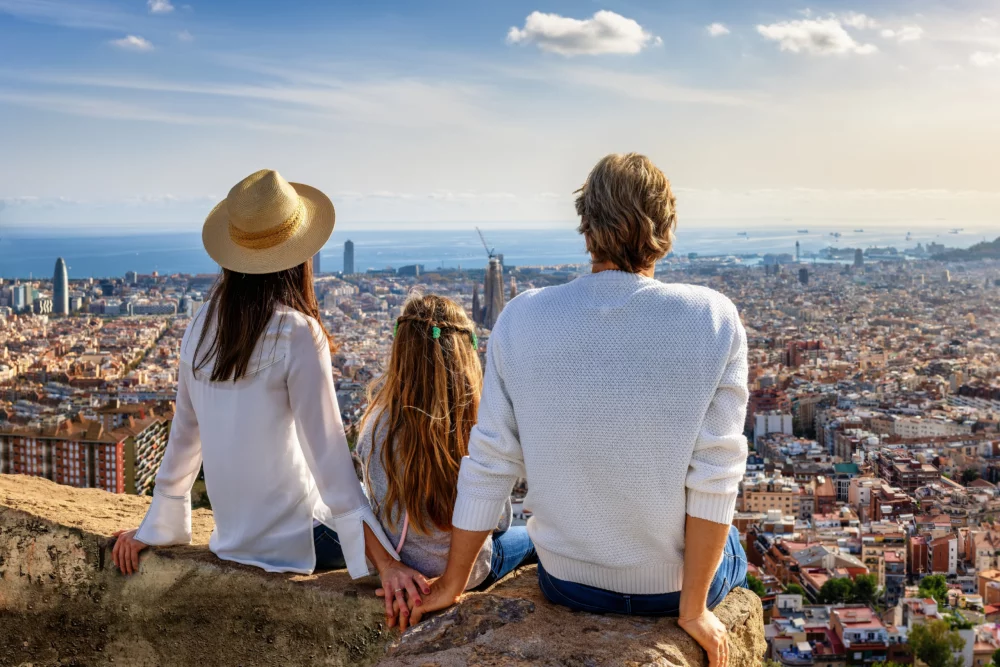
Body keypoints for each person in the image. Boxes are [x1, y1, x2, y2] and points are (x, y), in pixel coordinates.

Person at [411, 154, 749, 667]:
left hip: (570, 582)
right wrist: (694, 610)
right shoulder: (712, 317)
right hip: (672, 590)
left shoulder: (521, 316)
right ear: (665, 227)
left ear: (586, 225)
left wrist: (453, 582)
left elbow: (491, 459)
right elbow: (716, 475)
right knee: (738, 540)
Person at [111, 169, 427, 629]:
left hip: (234, 539)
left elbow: (183, 440)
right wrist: (388, 563)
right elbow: (331, 461)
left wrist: (155, 527)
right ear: (297, 255)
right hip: (301, 542)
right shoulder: (297, 332)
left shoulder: (200, 325)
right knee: (410, 535)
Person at [358, 294, 536, 622]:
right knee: (536, 535)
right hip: (471, 571)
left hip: (403, 565)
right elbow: (498, 523)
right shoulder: (479, 427)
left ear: (400, 353)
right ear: (465, 357)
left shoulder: (376, 427)